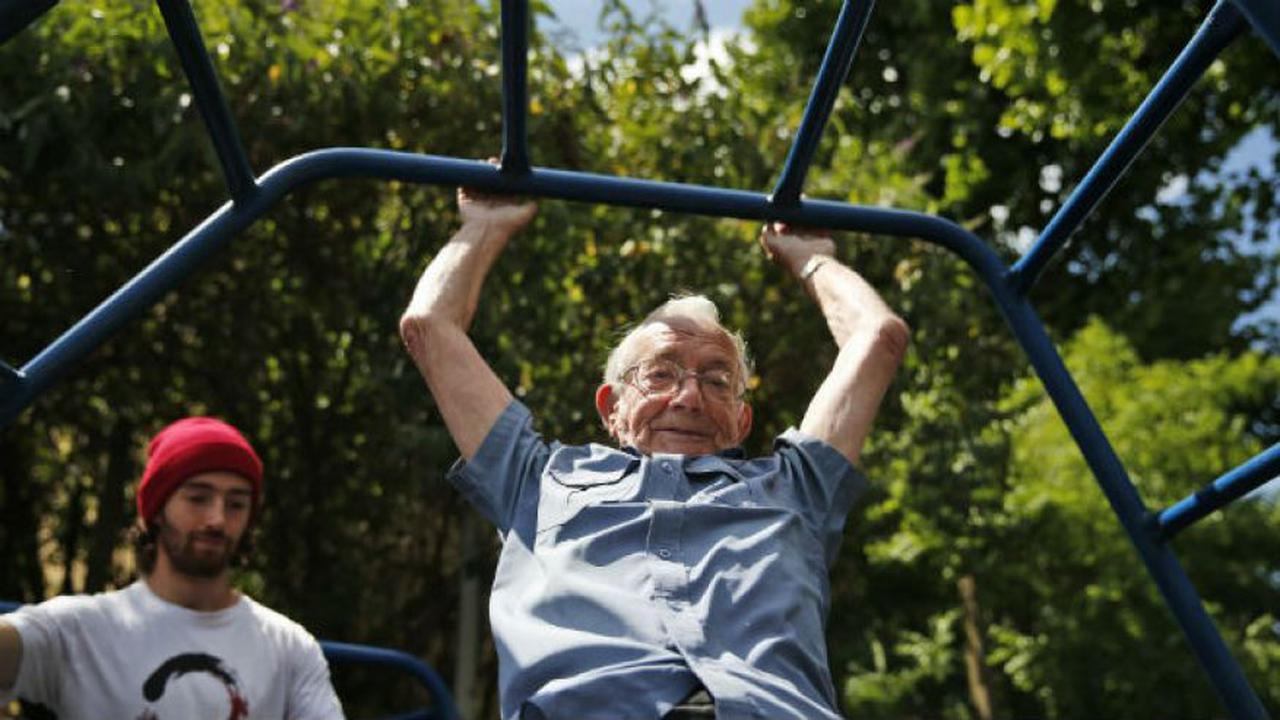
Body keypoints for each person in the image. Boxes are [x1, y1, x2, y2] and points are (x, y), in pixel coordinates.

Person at [398, 181, 908, 720]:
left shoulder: (796, 489)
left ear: (741, 419)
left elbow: (878, 337)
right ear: (611, 408)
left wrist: (811, 259)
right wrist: (484, 226)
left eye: (717, 381)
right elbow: (429, 327)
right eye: (660, 375)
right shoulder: (534, 480)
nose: (688, 398)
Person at [0, 417, 345, 719]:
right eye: (198, 498)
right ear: (155, 511)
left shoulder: (290, 646)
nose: (217, 519)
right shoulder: (79, 630)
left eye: (236, 504)